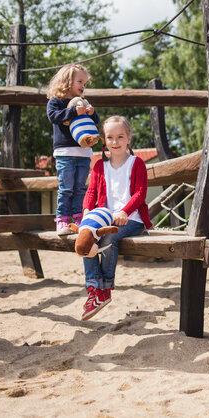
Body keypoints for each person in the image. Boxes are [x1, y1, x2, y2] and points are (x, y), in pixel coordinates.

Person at [79, 115, 152, 320]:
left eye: (120, 137)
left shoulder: (136, 164)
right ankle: (94, 290)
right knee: (87, 237)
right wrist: (86, 210)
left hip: (133, 219)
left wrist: (124, 212)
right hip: (105, 218)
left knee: (109, 238)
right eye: (110, 137)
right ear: (104, 141)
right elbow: (91, 193)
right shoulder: (100, 167)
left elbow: (140, 193)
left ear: (129, 138)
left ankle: (106, 288)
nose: (115, 142)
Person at [46, 63, 100, 235]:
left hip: (84, 153)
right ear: (67, 82)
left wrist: (92, 113)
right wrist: (73, 112)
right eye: (80, 82)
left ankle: (78, 217)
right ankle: (62, 220)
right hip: (65, 153)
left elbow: (96, 121)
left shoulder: (85, 103)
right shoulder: (57, 102)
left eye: (84, 83)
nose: (83, 86)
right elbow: (54, 117)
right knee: (66, 188)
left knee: (80, 188)